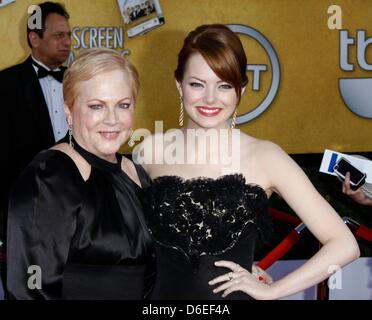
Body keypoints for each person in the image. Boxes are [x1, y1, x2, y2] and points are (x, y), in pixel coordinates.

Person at [135, 24, 360, 300]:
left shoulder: (265, 156)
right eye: (197, 84)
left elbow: (344, 244)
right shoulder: (149, 151)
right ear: (179, 84)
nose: (210, 98)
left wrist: (273, 290)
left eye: (224, 86)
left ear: (241, 89)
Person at [6, 48, 155, 299]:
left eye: (123, 105)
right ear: (68, 110)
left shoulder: (136, 172)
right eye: (97, 106)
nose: (112, 119)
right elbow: (30, 289)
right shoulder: (49, 177)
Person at [0, 2, 72, 277]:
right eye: (58, 35)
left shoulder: (80, 83)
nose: (67, 42)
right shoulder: (5, 86)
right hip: (22, 213)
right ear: (34, 38)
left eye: (68, 35)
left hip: (75, 211)